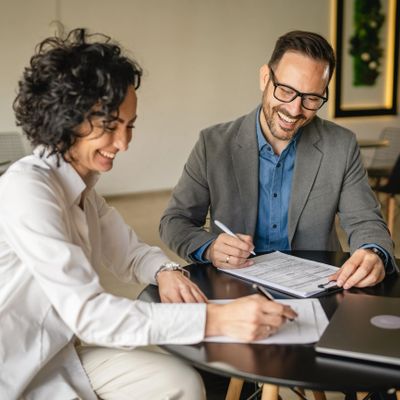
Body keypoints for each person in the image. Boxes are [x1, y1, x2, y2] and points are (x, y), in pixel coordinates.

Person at [0, 28, 297, 400]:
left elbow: (128, 252)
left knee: (181, 383)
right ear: (64, 118)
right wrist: (218, 319)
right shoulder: (27, 189)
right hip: (11, 371)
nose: (123, 143)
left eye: (130, 125)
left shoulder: (82, 189)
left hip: (59, 356)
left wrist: (165, 271)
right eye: (110, 127)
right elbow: (90, 314)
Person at [160, 30, 398, 289]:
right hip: (234, 288)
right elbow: (175, 221)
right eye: (286, 90)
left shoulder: (341, 145)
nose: (295, 110)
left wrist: (372, 252)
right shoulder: (213, 144)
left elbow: (366, 221)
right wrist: (209, 248)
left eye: (312, 98)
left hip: (317, 288)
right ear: (265, 78)